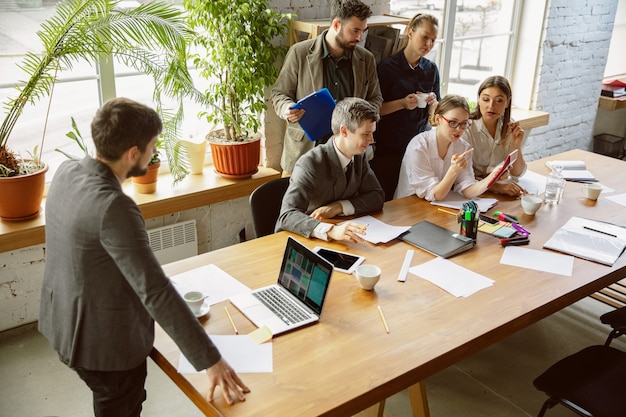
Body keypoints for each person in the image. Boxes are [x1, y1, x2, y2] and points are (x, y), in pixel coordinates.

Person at [38, 97, 249, 416]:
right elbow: (155, 291)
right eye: (152, 147)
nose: (155, 154)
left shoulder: (67, 172)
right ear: (133, 154)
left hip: (64, 324)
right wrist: (211, 360)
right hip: (105, 350)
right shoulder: (114, 207)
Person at [270, 0, 383, 175]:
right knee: (293, 202)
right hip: (304, 151)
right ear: (336, 24)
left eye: (363, 31)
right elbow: (279, 93)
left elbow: (376, 98)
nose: (360, 37)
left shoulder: (366, 59)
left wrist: (363, 119)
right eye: (355, 30)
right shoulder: (299, 53)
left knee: (342, 203)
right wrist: (286, 108)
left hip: (349, 154)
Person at [275, 97, 384, 242]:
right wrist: (331, 230)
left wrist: (339, 207)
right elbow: (287, 216)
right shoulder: (310, 163)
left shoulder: (358, 156)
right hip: (307, 238)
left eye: (372, 133)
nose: (371, 140)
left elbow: (376, 196)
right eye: (365, 134)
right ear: (344, 131)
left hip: (344, 237)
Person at [370, 13, 441, 201]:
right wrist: (402, 103)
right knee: (386, 200)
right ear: (410, 33)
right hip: (390, 148)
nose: (429, 44)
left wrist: (434, 105)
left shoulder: (431, 69)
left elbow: (436, 116)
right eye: (425, 37)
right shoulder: (387, 68)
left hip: (419, 147)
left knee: (414, 201)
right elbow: (374, 110)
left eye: (433, 40)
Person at [395, 94, 500, 201]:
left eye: (464, 123)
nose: (459, 129)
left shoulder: (463, 147)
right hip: (408, 206)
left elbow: (468, 190)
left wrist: (493, 176)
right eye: (452, 122)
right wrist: (453, 171)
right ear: (438, 119)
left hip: (437, 207)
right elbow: (434, 194)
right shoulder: (419, 146)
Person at [464, 75, 526, 197]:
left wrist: (516, 144)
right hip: (472, 193)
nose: (491, 106)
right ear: (479, 100)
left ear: (507, 102)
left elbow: (517, 172)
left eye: (499, 101)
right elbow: (462, 176)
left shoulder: (509, 126)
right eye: (486, 99)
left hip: (496, 194)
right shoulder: (467, 127)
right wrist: (496, 186)